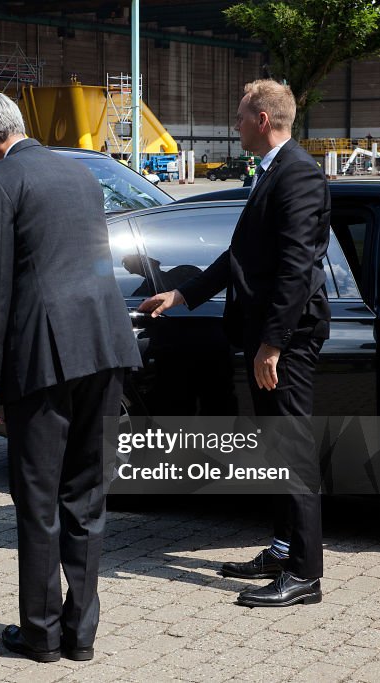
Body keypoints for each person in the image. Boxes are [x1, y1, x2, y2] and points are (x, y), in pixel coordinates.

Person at [0, 93, 141, 662]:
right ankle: (80, 635)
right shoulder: (80, 173)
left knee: (38, 499)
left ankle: (40, 634)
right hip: (104, 345)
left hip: (42, 358)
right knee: (86, 496)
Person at [140, 79, 331, 608]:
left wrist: (273, 344)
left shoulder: (298, 176)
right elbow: (240, 256)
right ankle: (281, 547)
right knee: (275, 448)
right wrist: (184, 292)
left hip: (285, 340)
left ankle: (305, 576)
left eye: (241, 116)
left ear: (263, 120)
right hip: (267, 336)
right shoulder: (271, 172)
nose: (235, 125)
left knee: (292, 452)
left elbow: (297, 268)